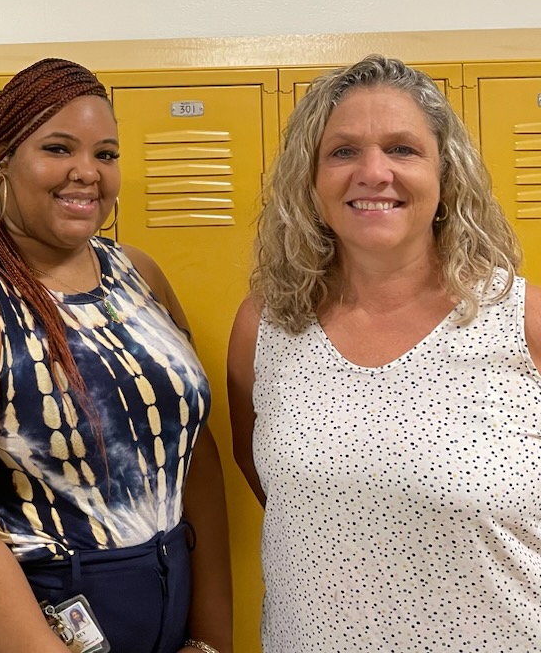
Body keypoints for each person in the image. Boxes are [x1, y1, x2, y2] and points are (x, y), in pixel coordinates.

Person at [0, 58, 232, 653]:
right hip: (23, 621)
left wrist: (212, 635)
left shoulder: (138, 274)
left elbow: (194, 455)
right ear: (0, 160)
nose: (86, 173)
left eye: (106, 154)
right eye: (58, 148)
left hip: (164, 601)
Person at [228, 55, 541, 650]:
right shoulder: (266, 324)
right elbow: (266, 477)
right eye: (343, 151)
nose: (374, 172)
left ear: (446, 176)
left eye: (403, 149)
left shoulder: (524, 322)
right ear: (310, 180)